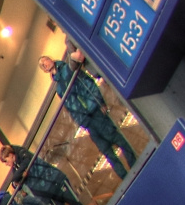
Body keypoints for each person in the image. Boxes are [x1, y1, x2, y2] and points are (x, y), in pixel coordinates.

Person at [41, 50, 135, 178]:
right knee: (106, 150)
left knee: (116, 138)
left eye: (45, 61)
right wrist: (80, 121)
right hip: (86, 120)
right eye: (43, 65)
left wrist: (99, 101)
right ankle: (125, 176)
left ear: (50, 59)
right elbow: (70, 107)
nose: (45, 64)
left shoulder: (69, 68)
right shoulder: (59, 87)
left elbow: (88, 83)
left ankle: (135, 165)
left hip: (94, 111)